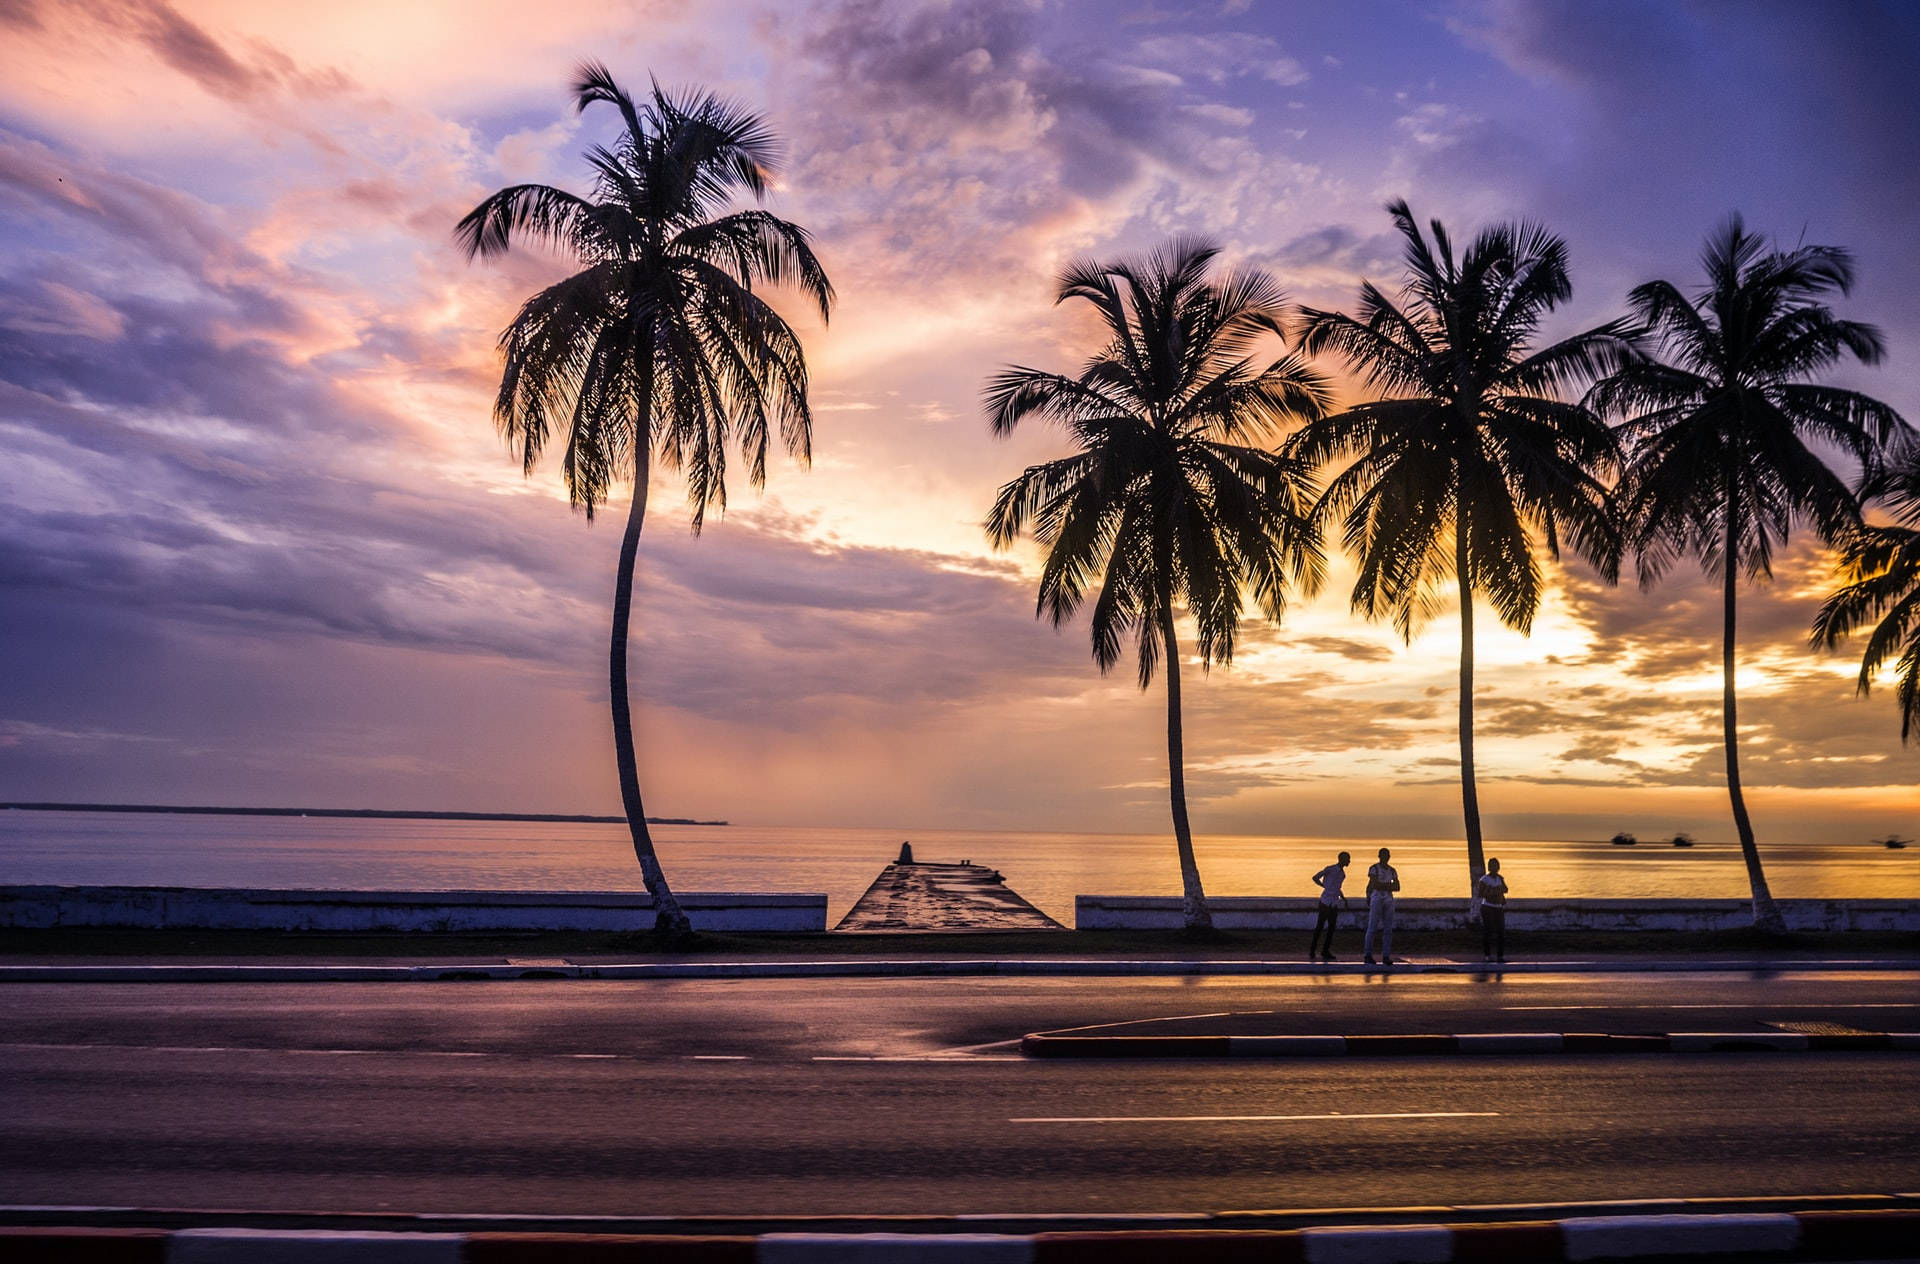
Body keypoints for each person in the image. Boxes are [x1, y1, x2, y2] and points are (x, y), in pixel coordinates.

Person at [1308, 851, 1350, 961]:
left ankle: (1325, 951)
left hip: (1334, 903)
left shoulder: (1342, 874)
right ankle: (1312, 951)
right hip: (1325, 902)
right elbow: (1315, 877)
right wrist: (1324, 886)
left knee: (1331, 929)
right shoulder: (1330, 869)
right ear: (1342, 859)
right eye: (1347, 859)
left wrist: (1343, 898)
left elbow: (1337, 887)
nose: (1349, 861)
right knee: (1320, 927)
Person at [1363, 846, 1400, 965]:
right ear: (1379, 856)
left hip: (1388, 899)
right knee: (1372, 927)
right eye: (1384, 855)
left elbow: (1397, 887)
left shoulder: (1392, 870)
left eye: (1387, 856)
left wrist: (1381, 885)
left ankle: (1386, 955)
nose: (1386, 858)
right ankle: (1368, 955)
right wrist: (1388, 886)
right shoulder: (1374, 868)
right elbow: (1374, 884)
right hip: (1377, 897)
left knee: (1388, 929)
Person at [1476, 858, 1509, 962]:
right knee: (1488, 931)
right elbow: (1480, 894)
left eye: (1496, 866)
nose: (1495, 868)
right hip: (1487, 907)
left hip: (1498, 907)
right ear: (1489, 867)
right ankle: (1487, 955)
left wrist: (1498, 890)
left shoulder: (1500, 878)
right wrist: (1492, 891)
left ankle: (1500, 956)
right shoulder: (1484, 879)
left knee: (1501, 932)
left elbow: (1506, 889)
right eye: (1493, 866)